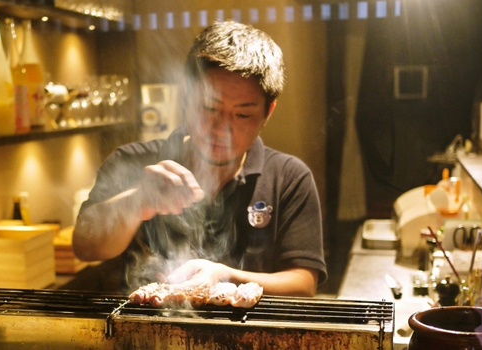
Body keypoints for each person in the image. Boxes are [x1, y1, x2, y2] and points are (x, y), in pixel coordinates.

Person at [73, 21, 327, 297]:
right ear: (185, 95)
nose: (221, 128)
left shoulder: (288, 177)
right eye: (209, 107)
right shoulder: (133, 161)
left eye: (242, 115)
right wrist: (138, 200)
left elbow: (304, 284)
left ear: (268, 112)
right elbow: (85, 246)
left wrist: (226, 276)